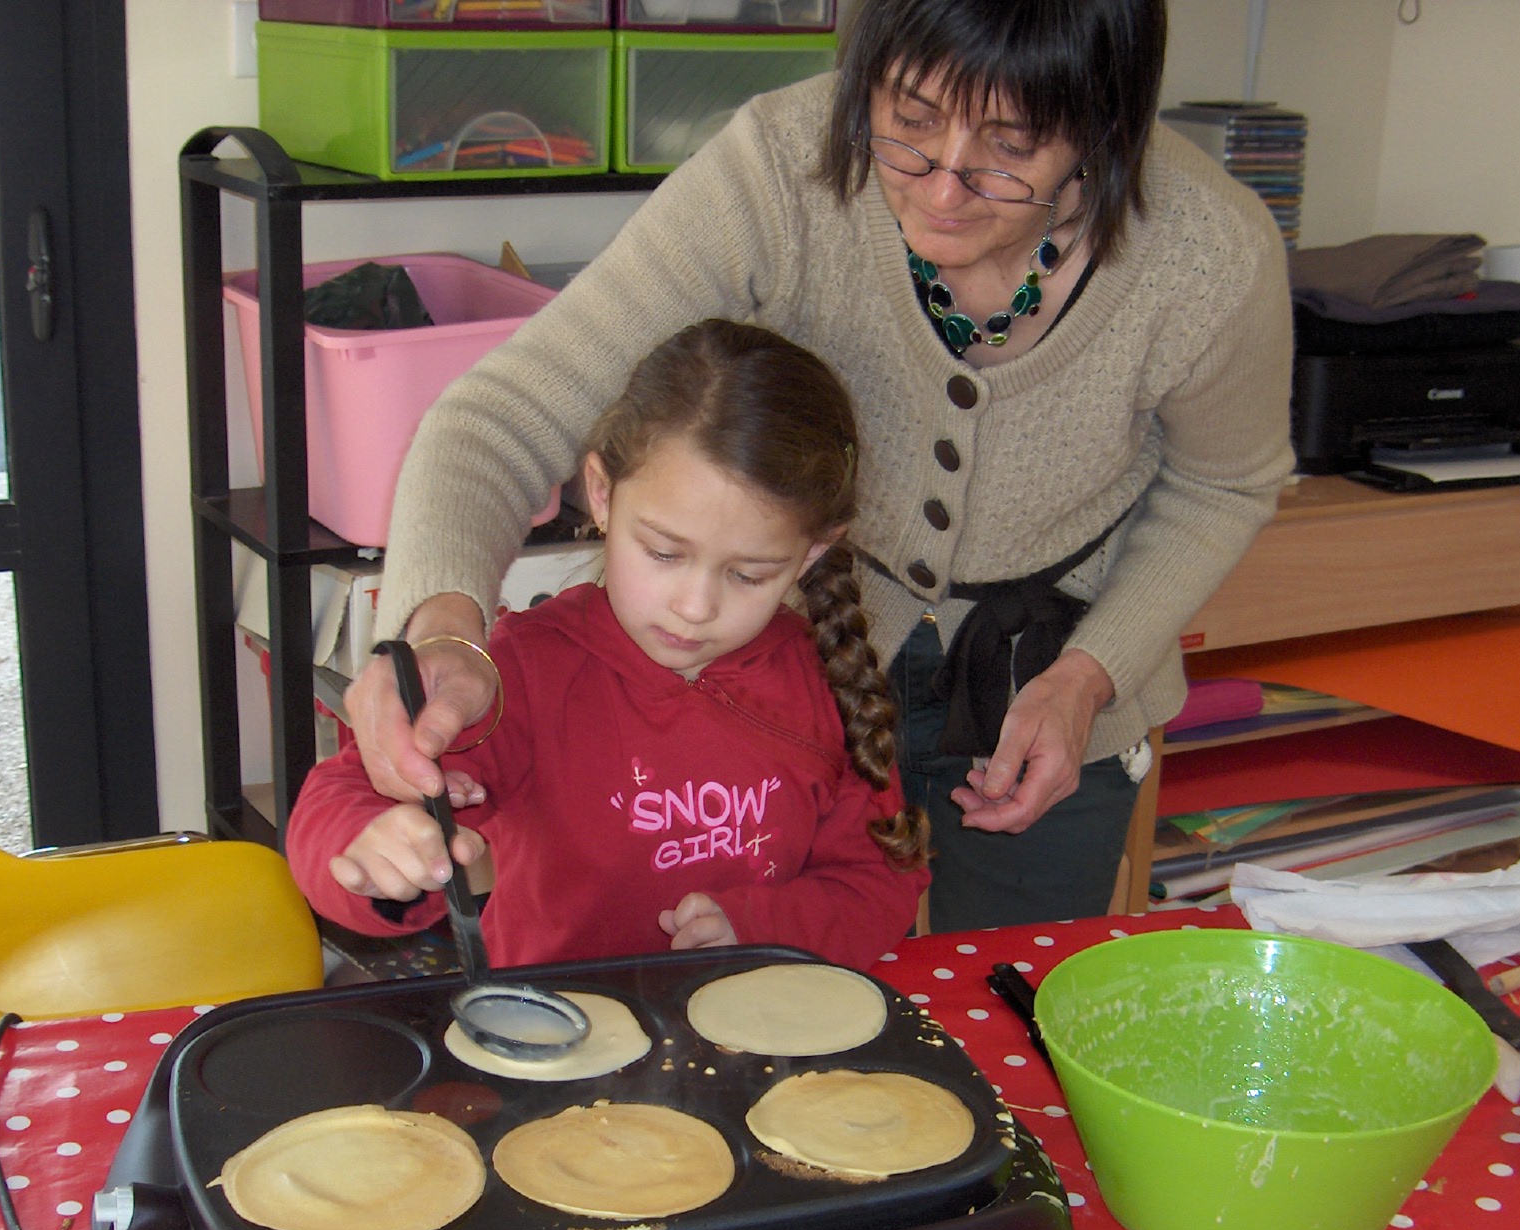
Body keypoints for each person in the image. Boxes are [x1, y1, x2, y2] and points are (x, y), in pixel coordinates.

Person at [345, 0, 1292, 932]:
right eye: (909, 122)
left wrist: (1090, 674)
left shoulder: (1206, 252)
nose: (944, 186)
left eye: (1009, 148)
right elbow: (503, 416)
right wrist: (441, 635)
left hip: (1054, 679)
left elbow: (1224, 483)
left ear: (1102, 127)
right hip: (794, 671)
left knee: (1012, 1006)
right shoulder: (780, 165)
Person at [289, 319, 928, 972]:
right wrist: (376, 848)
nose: (695, 606)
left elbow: (879, 886)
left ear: (813, 551)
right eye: (662, 552)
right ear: (601, 494)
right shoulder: (523, 673)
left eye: (747, 574)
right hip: (562, 1038)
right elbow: (340, 797)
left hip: (764, 1046)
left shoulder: (824, 678)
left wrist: (763, 927)